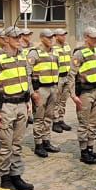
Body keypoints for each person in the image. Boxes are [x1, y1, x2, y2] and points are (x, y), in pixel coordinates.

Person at [0, 27, 34, 190]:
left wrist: (28, 101)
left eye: (20, 37)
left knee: (17, 144)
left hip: (21, 105)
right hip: (5, 107)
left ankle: (16, 175)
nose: (19, 40)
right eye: (16, 37)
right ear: (6, 39)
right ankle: (5, 177)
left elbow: (27, 80)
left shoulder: (22, 56)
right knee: (6, 145)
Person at [69, 27, 96, 165]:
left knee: (94, 123)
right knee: (84, 124)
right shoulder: (79, 54)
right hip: (85, 93)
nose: (95, 39)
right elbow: (71, 75)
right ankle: (83, 152)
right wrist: (73, 96)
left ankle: (90, 149)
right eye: (92, 37)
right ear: (86, 37)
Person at [27, 29, 63, 158]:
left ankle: (46, 141)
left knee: (49, 117)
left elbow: (57, 70)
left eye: (52, 37)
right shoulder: (34, 53)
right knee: (39, 118)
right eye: (48, 37)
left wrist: (57, 87)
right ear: (42, 38)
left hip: (52, 89)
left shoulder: (54, 52)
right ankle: (38, 144)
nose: (51, 39)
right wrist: (32, 92)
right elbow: (28, 75)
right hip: (40, 90)